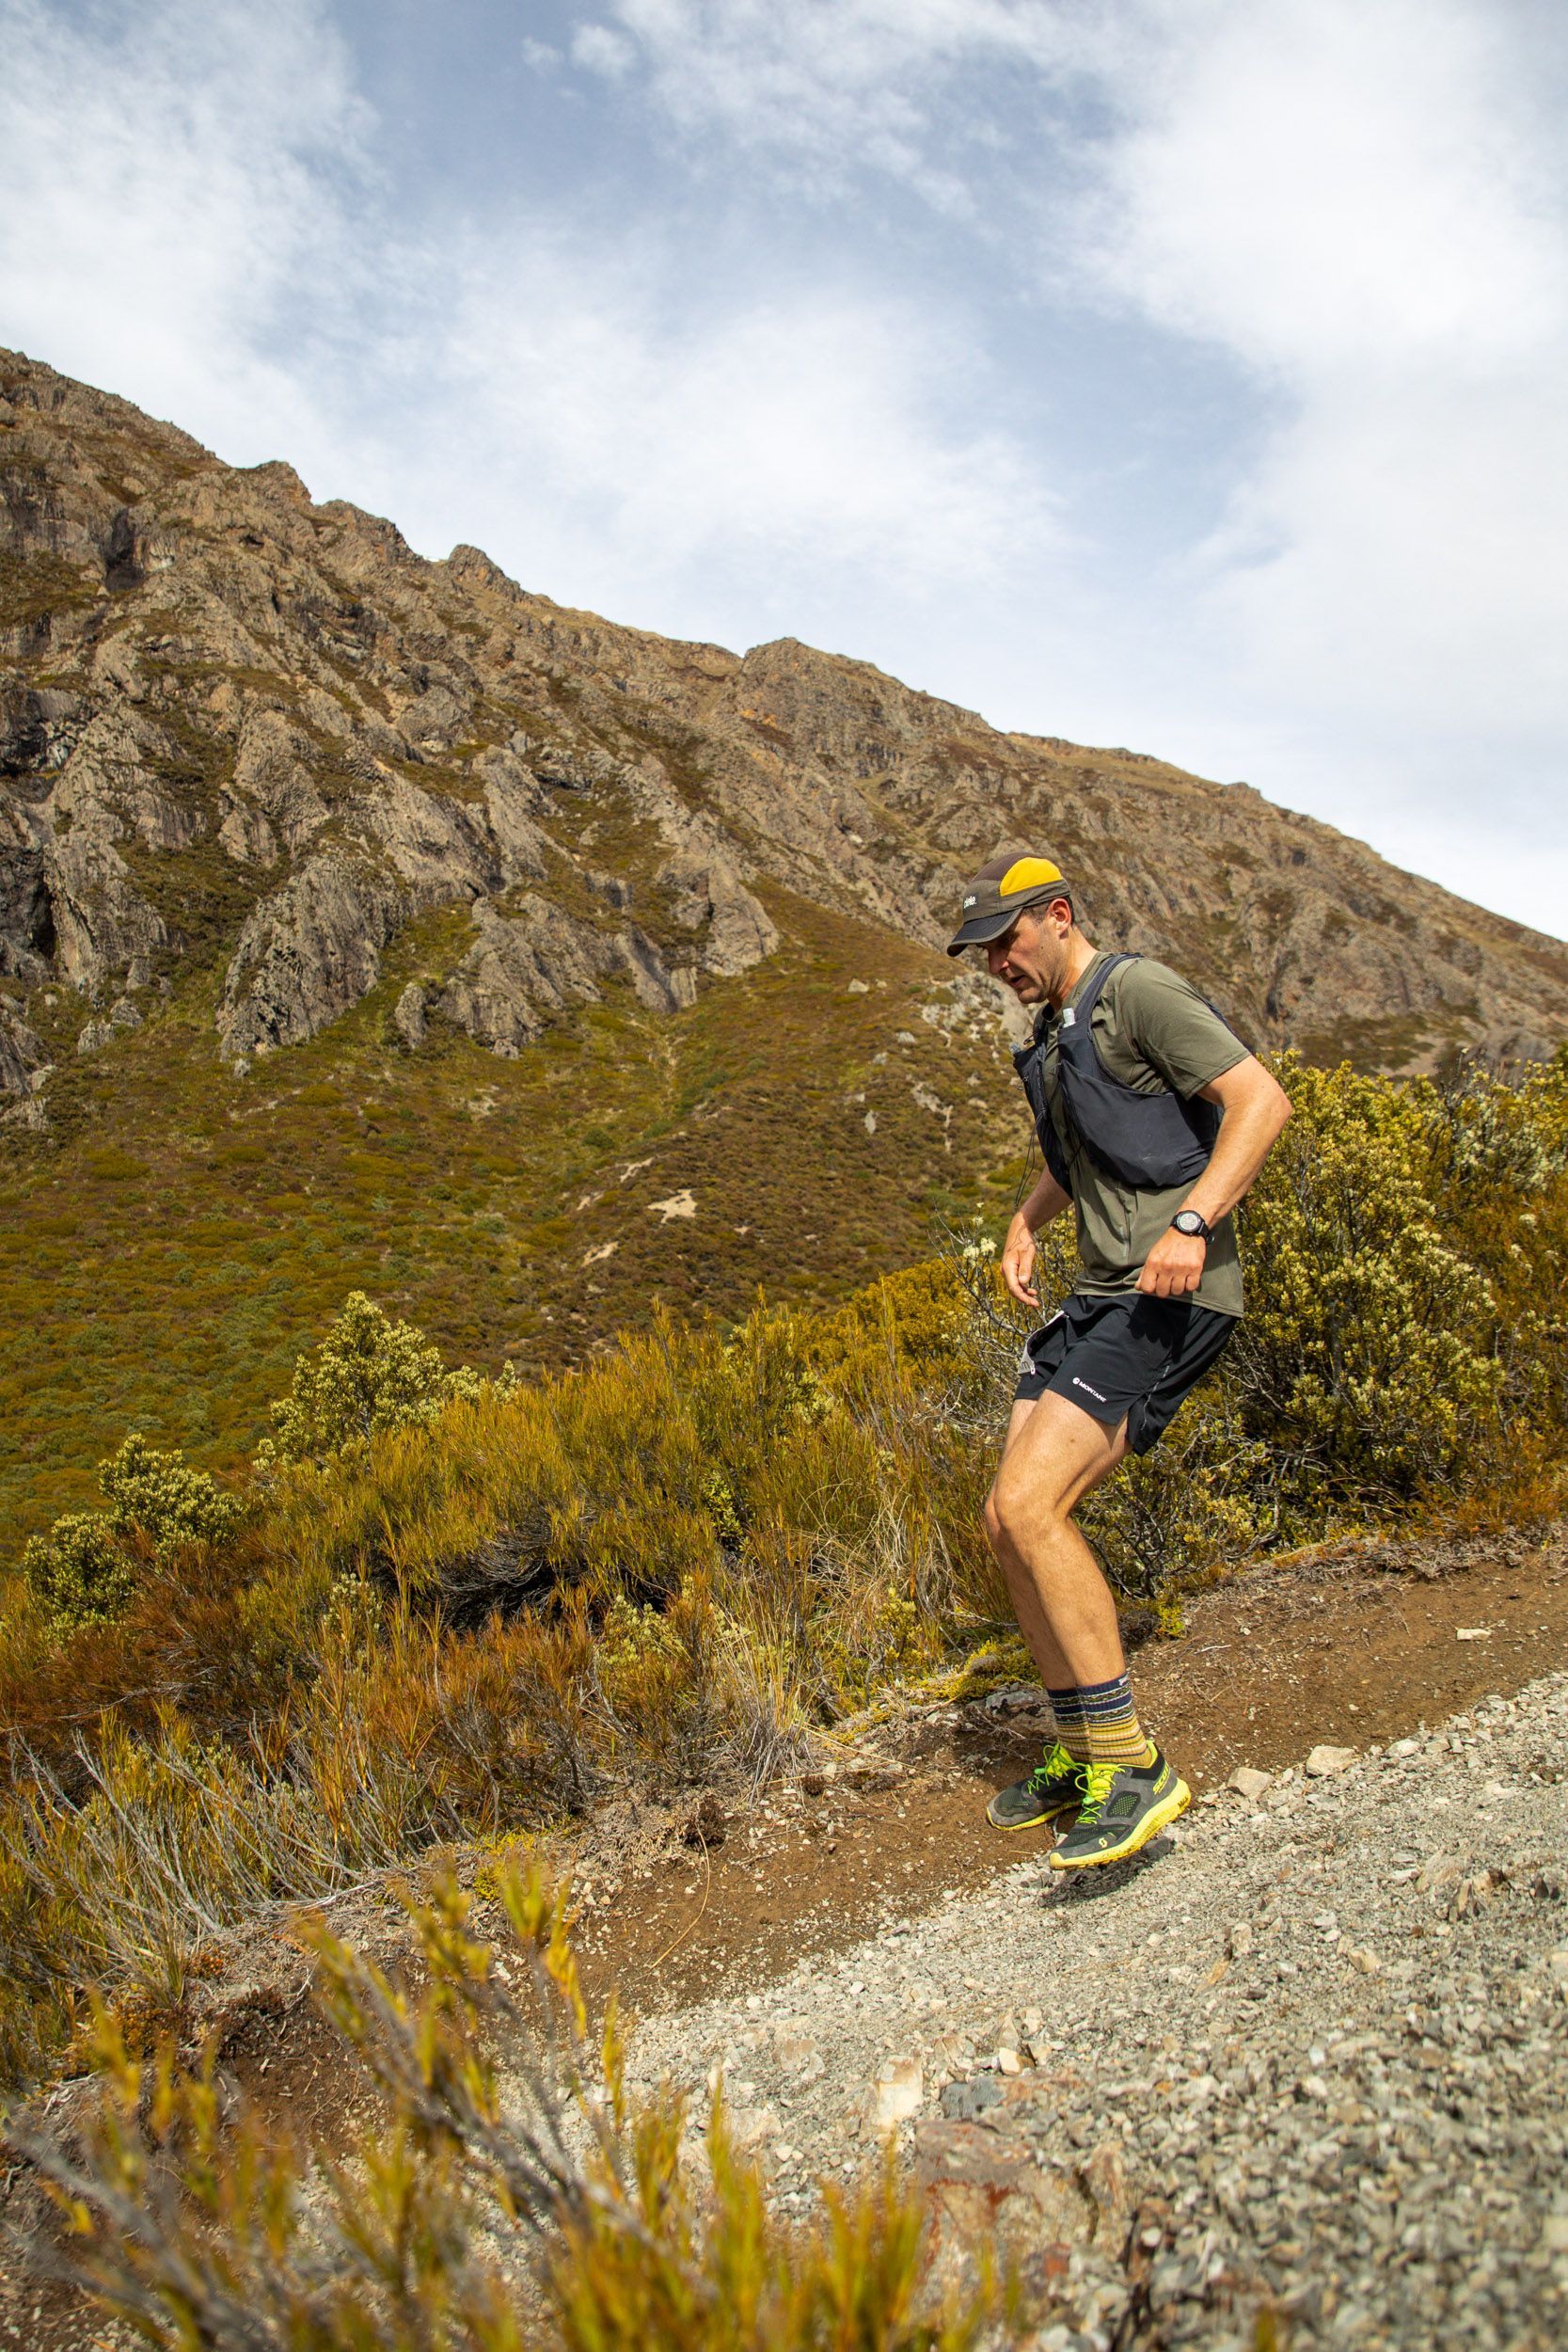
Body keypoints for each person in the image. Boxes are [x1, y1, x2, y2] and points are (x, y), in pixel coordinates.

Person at [948, 853, 1292, 1870]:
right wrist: (1025, 1218)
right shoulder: (1053, 1030)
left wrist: (1192, 1221)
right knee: (1002, 1519)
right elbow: (1084, 1153)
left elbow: (1258, 1101)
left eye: (1006, 943)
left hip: (1167, 1290)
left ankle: (1131, 1762)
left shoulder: (1133, 991)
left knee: (1030, 1506)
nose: (995, 965)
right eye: (981, 954)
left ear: (1056, 916)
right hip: (1099, 1289)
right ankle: (1082, 1752)